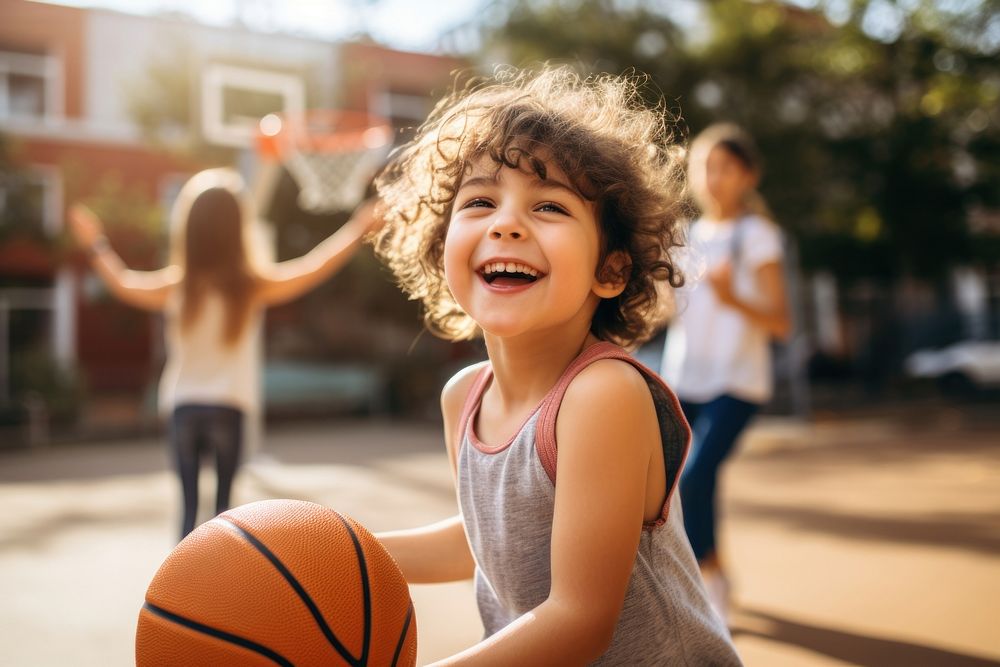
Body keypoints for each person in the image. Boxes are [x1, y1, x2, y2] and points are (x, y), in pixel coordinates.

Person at [371, 66, 742, 665]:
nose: (506, 222)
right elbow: (488, 539)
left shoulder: (603, 394)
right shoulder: (464, 397)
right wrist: (329, 554)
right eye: (481, 201)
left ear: (611, 271)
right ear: (444, 252)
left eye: (548, 206)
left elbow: (578, 620)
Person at [69, 168, 380, 541]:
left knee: (187, 513)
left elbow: (122, 282)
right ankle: (222, 596)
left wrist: (95, 243)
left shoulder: (178, 285)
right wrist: (357, 229)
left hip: (184, 406)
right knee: (224, 516)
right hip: (228, 406)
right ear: (238, 227)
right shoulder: (249, 286)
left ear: (189, 226)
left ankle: (180, 593)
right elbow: (313, 266)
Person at [660, 123, 791, 622]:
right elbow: (670, 314)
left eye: (725, 168)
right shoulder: (683, 238)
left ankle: (710, 581)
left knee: (694, 479)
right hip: (683, 381)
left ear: (748, 175)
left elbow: (781, 322)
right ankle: (712, 578)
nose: (713, 178)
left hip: (737, 384)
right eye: (704, 167)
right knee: (683, 486)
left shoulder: (757, 235)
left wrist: (733, 294)